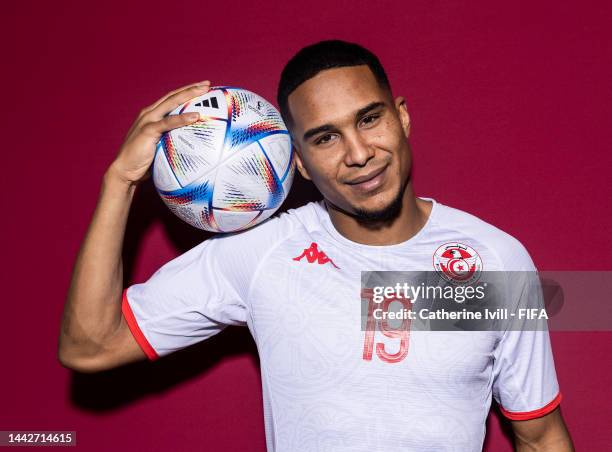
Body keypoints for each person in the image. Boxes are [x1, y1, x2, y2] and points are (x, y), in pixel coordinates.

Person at [59, 40, 574, 451]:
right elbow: (90, 345)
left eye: (369, 119)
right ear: (299, 162)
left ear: (402, 117)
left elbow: (541, 436)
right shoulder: (262, 254)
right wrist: (120, 181)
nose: (359, 154)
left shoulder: (493, 262)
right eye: (325, 138)